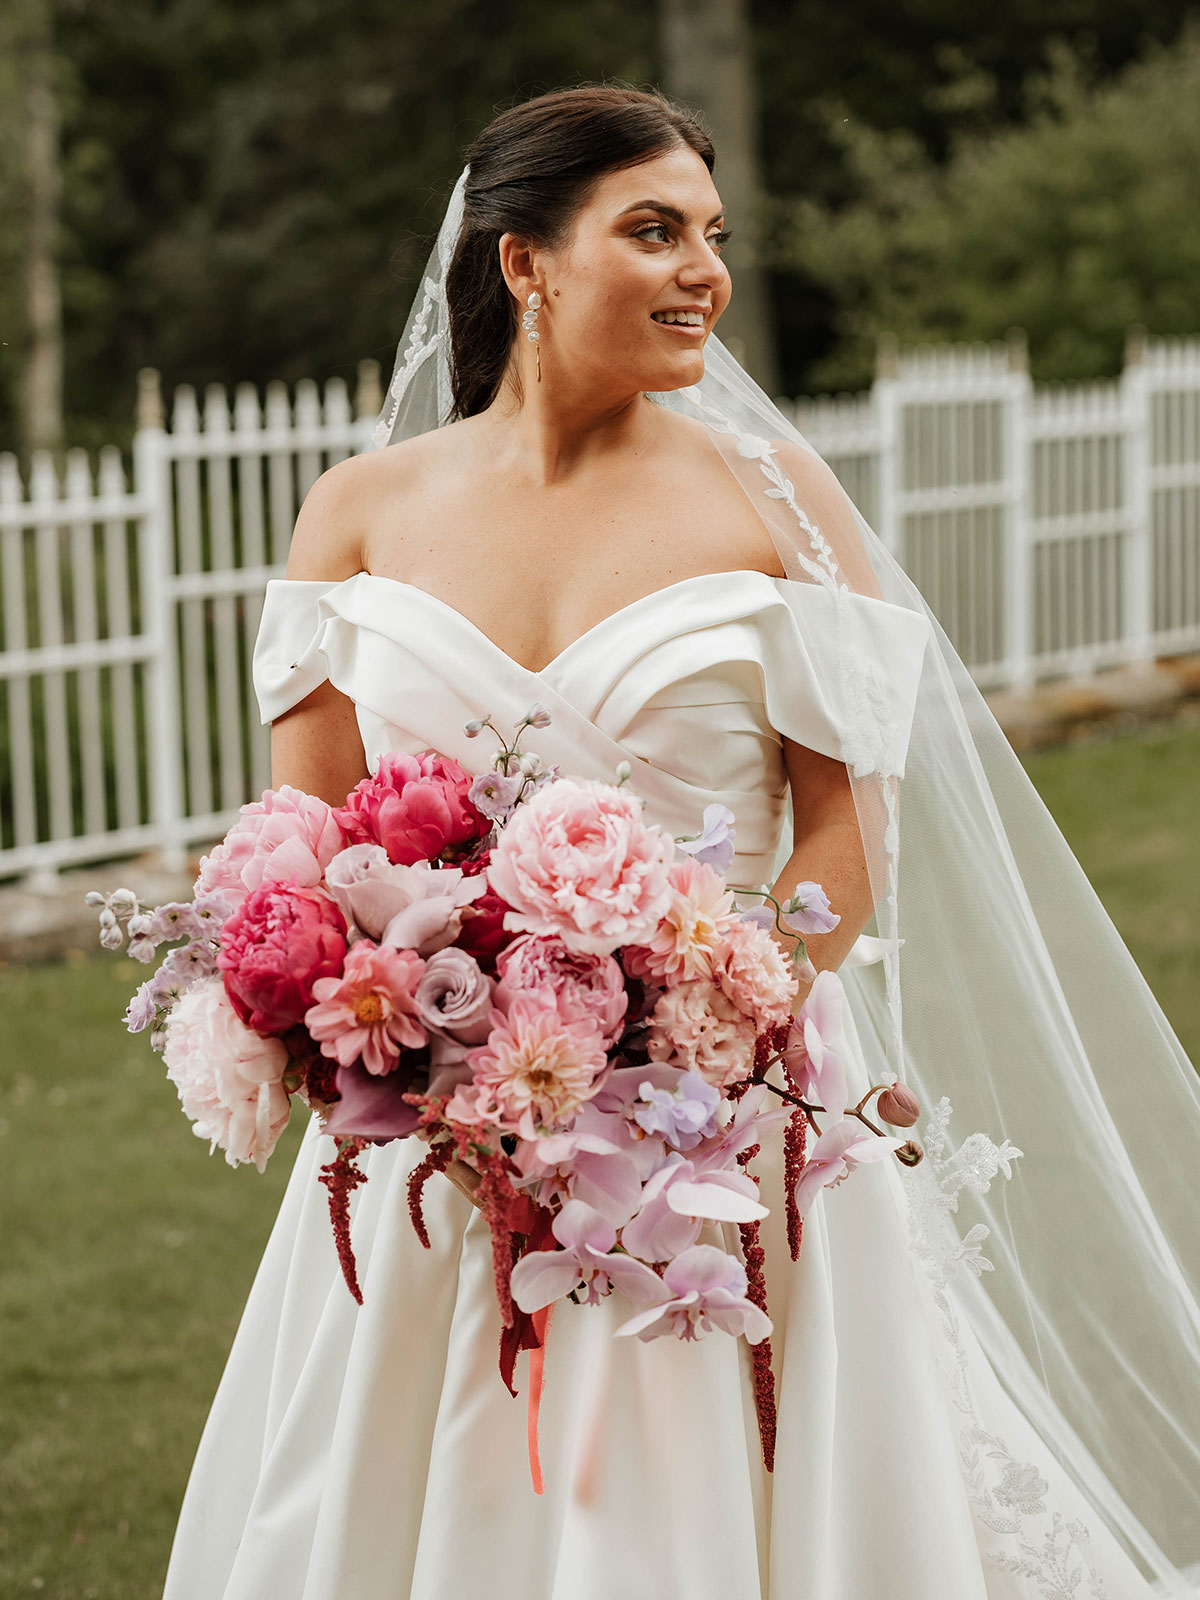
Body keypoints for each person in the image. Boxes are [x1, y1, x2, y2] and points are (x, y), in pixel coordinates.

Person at [161, 84, 1200, 1599]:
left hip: (725, 1118)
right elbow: (301, 838)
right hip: (442, 1129)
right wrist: (368, 1022)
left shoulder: (778, 507)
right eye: (653, 232)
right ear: (525, 262)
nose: (704, 269)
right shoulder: (359, 512)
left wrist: (708, 1014)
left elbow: (849, 832)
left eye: (712, 234)